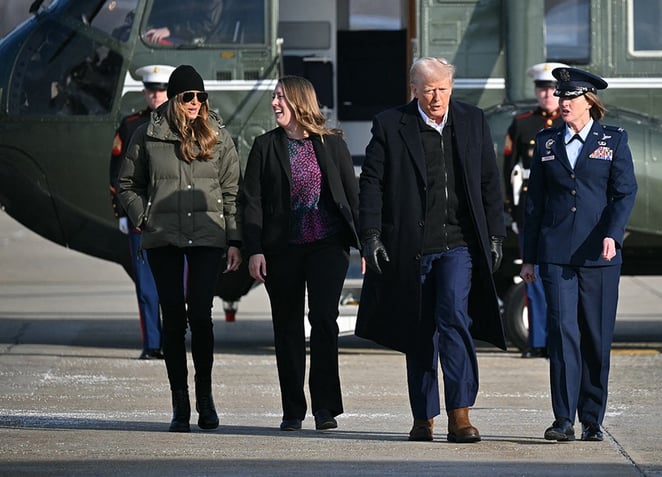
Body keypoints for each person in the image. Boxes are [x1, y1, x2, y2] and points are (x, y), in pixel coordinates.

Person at [356, 57, 506, 443]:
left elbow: (490, 182)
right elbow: (371, 182)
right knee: (419, 330)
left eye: (442, 88)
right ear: (414, 90)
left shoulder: (472, 120)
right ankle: (423, 417)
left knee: (454, 318)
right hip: (412, 247)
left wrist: (495, 235)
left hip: (459, 245)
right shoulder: (390, 124)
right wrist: (371, 234)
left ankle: (460, 414)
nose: (436, 96)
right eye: (428, 89)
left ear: (451, 88)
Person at [118, 64, 242, 433]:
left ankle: (205, 396)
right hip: (164, 238)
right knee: (172, 319)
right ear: (174, 99)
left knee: (201, 317)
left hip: (207, 237)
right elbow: (127, 184)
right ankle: (180, 401)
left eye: (200, 97)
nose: (194, 103)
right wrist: (145, 218)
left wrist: (234, 239)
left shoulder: (218, 136)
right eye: (188, 96)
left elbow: (232, 192)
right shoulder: (146, 135)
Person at [519, 67, 637, 442]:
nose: (562, 102)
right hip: (555, 254)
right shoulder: (547, 141)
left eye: (569, 97)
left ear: (589, 101)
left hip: (598, 254)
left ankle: (592, 418)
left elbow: (624, 193)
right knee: (562, 334)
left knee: (596, 337)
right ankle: (563, 420)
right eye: (560, 95)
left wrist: (613, 236)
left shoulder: (613, 140)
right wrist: (528, 257)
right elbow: (534, 202)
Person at [239, 76, 359, 432]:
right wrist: (254, 250)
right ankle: (292, 409)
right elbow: (252, 204)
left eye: (280, 98)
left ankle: (325, 408)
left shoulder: (332, 144)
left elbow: (351, 196)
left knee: (324, 320)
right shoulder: (265, 146)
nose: (274, 103)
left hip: (327, 245)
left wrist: (366, 243)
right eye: (274, 98)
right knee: (287, 327)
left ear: (298, 101)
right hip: (283, 249)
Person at [109, 65, 175, 361]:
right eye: (151, 90)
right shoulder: (131, 125)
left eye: (161, 90)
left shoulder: (185, 125)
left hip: (177, 221)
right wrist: (122, 212)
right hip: (143, 221)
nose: (156, 96)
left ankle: (174, 341)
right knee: (148, 290)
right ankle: (152, 344)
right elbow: (117, 174)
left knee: (178, 291)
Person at [503, 62, 567, 359]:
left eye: (552, 89)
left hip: (563, 212)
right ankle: (537, 340)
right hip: (530, 210)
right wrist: (513, 211)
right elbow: (509, 170)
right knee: (533, 277)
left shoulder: (571, 122)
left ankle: (559, 340)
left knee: (560, 279)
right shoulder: (522, 124)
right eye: (541, 89)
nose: (547, 95)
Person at [144, 0, 223, 45]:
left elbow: (206, 25)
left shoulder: (212, 2)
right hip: (173, 32)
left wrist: (171, 30)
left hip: (195, 42)